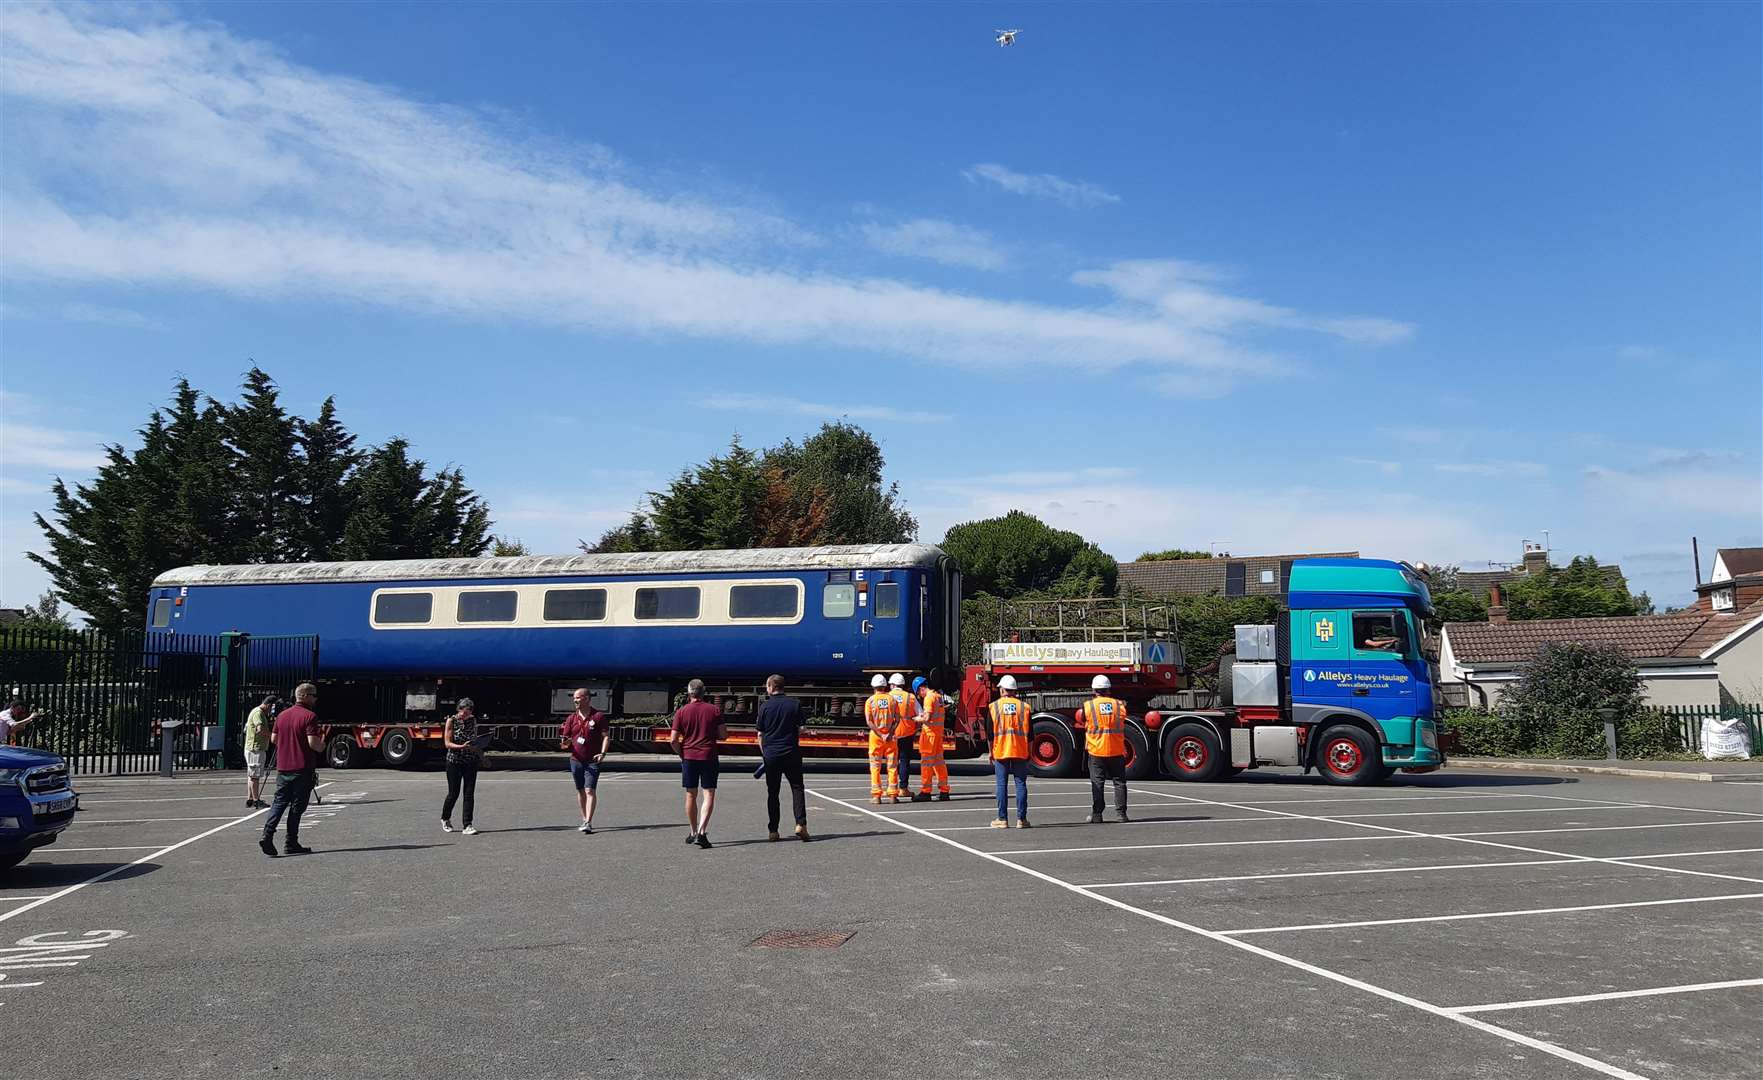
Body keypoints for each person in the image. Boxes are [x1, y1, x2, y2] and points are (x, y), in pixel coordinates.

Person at [259, 683, 322, 857]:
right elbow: (313, 743)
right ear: (306, 696)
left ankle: (267, 834)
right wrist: (322, 746)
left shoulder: (282, 716)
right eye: (314, 695)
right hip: (302, 767)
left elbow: (274, 739)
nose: (315, 699)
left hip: (283, 767)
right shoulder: (309, 716)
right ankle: (291, 841)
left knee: (279, 802)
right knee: (297, 806)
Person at [670, 679, 725, 849]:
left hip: (689, 757)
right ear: (704, 692)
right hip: (709, 756)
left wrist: (682, 753)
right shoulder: (714, 710)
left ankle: (693, 832)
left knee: (690, 795)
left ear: (689, 693)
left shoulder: (681, 711)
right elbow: (723, 735)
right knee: (708, 794)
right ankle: (702, 832)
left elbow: (673, 740)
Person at [753, 674, 809, 842]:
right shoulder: (795, 704)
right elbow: (803, 728)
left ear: (771, 687)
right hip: (791, 751)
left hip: (771, 754)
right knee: (797, 788)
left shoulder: (764, 707)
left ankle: (773, 830)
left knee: (773, 792)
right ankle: (801, 824)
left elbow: (760, 734)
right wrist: (791, 733)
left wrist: (765, 752)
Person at [1079, 675, 1130, 823]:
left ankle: (1097, 815)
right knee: (1119, 782)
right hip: (1116, 749)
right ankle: (1121, 815)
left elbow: (1082, 719)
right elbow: (1122, 719)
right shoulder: (1119, 705)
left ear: (1094, 690)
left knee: (1098, 782)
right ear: (1108, 689)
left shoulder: (1088, 706)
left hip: (1096, 750)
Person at [559, 688, 608, 833]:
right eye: (574, 698)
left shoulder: (598, 716)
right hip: (576, 760)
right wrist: (565, 744)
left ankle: (588, 822)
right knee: (580, 790)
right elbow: (564, 742)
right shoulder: (571, 719)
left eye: (578, 698)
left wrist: (603, 753)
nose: (575, 700)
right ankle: (584, 818)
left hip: (592, 760)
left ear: (586, 698)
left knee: (589, 790)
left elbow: (606, 736)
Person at [988, 675, 1031, 829]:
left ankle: (1002, 819)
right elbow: (1030, 734)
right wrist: (1029, 752)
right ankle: (1021, 820)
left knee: (1001, 785)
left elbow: (990, 734)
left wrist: (990, 752)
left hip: (1000, 750)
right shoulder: (1024, 707)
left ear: (1002, 690)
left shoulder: (994, 707)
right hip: (1020, 750)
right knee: (1020, 784)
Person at [441, 698, 484, 836]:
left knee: (469, 793)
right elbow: (447, 743)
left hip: (470, 760)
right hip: (454, 760)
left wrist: (480, 754)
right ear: (459, 710)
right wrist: (461, 747)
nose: (466, 715)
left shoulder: (473, 720)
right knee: (454, 793)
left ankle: (468, 824)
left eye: (469, 712)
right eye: (464, 713)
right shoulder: (451, 721)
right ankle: (445, 818)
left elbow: (475, 739)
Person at [911, 676, 951, 802]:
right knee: (939, 763)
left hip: (930, 735)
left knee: (926, 763)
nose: (919, 696)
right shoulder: (937, 696)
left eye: (918, 693)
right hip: (938, 735)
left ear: (921, 689)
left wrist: (918, 719)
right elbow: (935, 715)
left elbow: (927, 718)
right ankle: (944, 791)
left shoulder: (928, 698)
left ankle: (925, 791)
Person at [863, 674, 900, 804]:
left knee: (875, 766)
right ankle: (893, 795)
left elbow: (869, 721)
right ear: (885, 686)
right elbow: (897, 719)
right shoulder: (892, 700)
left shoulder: (870, 701)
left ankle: (876, 796)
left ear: (873, 686)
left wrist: (880, 734)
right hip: (891, 736)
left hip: (875, 737)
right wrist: (889, 733)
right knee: (892, 766)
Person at [242, 694, 276, 809]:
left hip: (253, 748)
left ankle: (250, 798)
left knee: (251, 774)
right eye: (271, 708)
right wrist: (272, 736)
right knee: (255, 775)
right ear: (268, 705)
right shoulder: (258, 713)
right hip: (255, 748)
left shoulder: (256, 712)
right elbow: (260, 729)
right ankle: (256, 800)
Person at [888, 673, 918, 799]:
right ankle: (903, 788)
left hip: (891, 733)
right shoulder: (910, 697)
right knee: (904, 761)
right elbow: (920, 713)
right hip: (907, 732)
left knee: (892, 762)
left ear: (893, 685)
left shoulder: (887, 697)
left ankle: (892, 790)